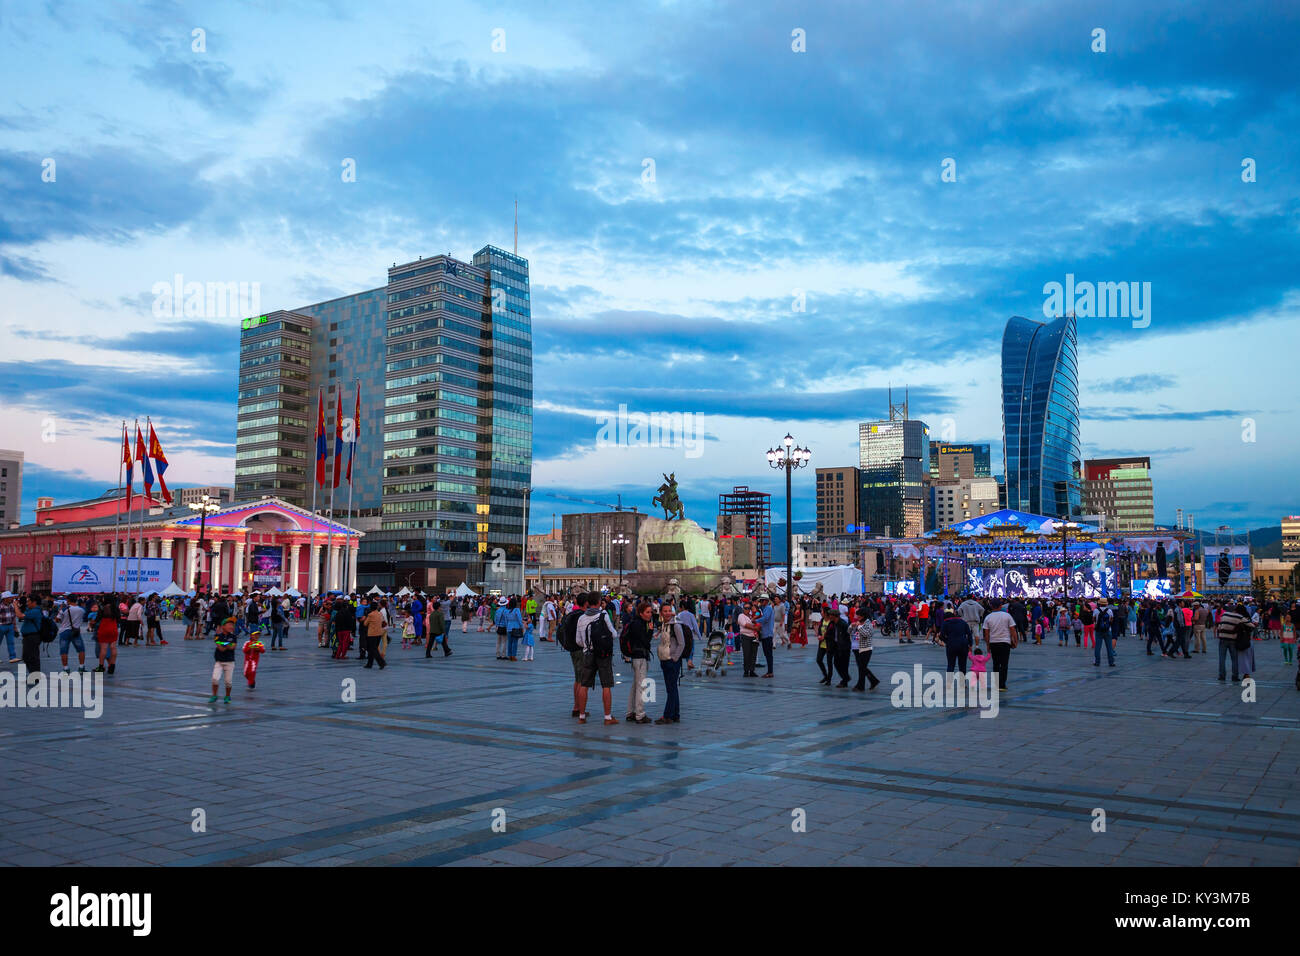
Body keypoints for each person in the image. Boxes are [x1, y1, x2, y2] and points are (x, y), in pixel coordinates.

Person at [575, 592, 617, 725]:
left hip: (588, 654)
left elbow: (578, 641)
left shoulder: (581, 618)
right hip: (603, 654)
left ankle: (581, 716)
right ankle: (607, 717)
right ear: (599, 602)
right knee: (606, 685)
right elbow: (614, 634)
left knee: (584, 684)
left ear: (588, 602)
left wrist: (587, 645)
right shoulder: (603, 616)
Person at [622, 601, 654, 723]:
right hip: (640, 657)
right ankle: (640, 714)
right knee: (641, 686)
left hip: (636, 656)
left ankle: (630, 712)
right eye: (647, 612)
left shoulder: (636, 622)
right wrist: (650, 631)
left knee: (635, 685)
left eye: (651, 612)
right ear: (641, 613)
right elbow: (645, 642)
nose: (650, 614)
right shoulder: (639, 624)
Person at [655, 601, 686, 724]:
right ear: (661, 612)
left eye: (669, 610)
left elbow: (681, 643)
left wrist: (675, 657)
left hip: (672, 661)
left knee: (671, 689)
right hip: (664, 659)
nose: (667, 613)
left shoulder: (675, 625)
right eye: (665, 611)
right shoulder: (664, 624)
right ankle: (675, 714)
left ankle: (667, 715)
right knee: (672, 689)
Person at [981, 598, 1017, 691]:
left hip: (994, 643)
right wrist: (1015, 640)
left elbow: (986, 633)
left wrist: (987, 645)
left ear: (991, 606)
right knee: (1004, 664)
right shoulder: (1007, 616)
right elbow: (1012, 630)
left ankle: (996, 684)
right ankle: (1002, 685)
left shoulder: (988, 617)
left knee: (996, 664)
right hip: (1005, 642)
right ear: (1001, 606)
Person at [1215, 603, 1248, 682]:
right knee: (1234, 659)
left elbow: (1219, 627)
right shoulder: (1238, 617)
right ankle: (1234, 676)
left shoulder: (1224, 615)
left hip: (1223, 639)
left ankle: (1222, 676)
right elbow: (1251, 625)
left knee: (1222, 658)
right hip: (1233, 639)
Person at [939, 603, 973, 674]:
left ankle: (949, 683)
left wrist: (947, 641)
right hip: (963, 645)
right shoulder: (963, 622)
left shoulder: (945, 623)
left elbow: (941, 635)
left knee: (951, 665)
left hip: (951, 645)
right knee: (962, 665)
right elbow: (969, 634)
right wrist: (970, 644)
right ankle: (962, 684)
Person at [209, 618, 238, 703]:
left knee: (228, 681)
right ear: (223, 626)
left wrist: (223, 643)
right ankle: (214, 695)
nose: (231, 626)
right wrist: (228, 644)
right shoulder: (218, 636)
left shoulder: (233, 636)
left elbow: (233, 647)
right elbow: (221, 649)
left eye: (232, 625)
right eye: (229, 625)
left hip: (230, 661)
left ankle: (227, 696)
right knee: (215, 679)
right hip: (219, 661)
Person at [851, 608, 879, 691]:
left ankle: (861, 685)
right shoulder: (858, 623)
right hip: (857, 647)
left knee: (862, 668)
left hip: (866, 648)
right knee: (861, 668)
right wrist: (851, 626)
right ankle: (872, 681)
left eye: (858, 615)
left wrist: (859, 626)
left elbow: (866, 634)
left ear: (863, 616)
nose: (857, 617)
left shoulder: (868, 624)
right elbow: (850, 632)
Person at [57, 597, 87, 673]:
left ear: (68, 600)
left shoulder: (64, 609)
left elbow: (57, 619)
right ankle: (81, 667)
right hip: (76, 631)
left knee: (64, 651)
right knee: (81, 650)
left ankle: (66, 668)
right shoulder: (81, 609)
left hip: (64, 631)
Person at [94, 595, 120, 675]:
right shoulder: (116, 608)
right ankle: (112, 665)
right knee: (113, 647)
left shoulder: (102, 608)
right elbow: (119, 619)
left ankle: (101, 667)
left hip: (104, 627)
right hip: (113, 627)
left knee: (103, 648)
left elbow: (97, 619)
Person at [362, 602, 387, 669]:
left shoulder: (370, 615)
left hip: (372, 634)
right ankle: (369, 664)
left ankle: (381, 662)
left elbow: (365, 624)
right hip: (379, 633)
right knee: (372, 649)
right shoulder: (380, 614)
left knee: (373, 649)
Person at [755, 596, 775, 678]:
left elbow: (765, 618)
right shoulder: (763, 608)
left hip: (767, 633)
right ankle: (770, 671)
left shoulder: (768, 608)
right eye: (760, 601)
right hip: (764, 633)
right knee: (767, 654)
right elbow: (757, 614)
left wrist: (755, 620)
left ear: (766, 601)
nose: (761, 602)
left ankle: (770, 672)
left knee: (768, 654)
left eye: (762, 600)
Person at [737, 601, 759, 677]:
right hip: (745, 636)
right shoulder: (741, 616)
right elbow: (745, 625)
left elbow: (758, 616)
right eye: (746, 608)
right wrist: (755, 627)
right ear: (743, 609)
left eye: (749, 608)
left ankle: (752, 670)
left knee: (754, 654)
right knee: (746, 654)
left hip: (754, 636)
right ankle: (746, 671)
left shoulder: (751, 616)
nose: (747, 609)